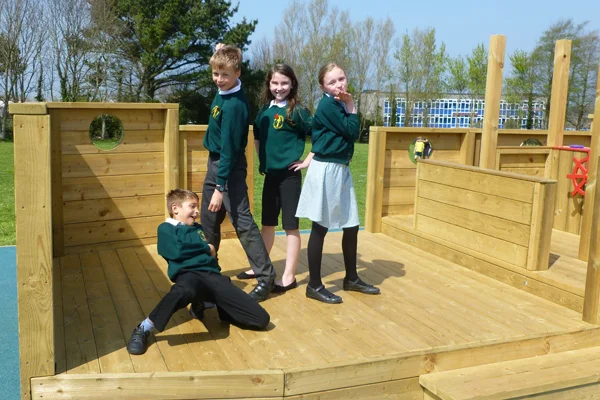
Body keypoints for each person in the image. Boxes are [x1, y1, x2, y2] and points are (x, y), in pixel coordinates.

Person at [126, 189, 270, 355]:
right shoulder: (166, 229)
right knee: (184, 290)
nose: (196, 211)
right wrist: (206, 248)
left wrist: (213, 259)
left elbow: (210, 258)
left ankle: (207, 304)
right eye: (192, 206)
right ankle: (144, 327)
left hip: (213, 276)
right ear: (175, 208)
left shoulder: (197, 229)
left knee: (261, 319)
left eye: (197, 207)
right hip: (189, 274)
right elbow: (176, 251)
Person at [295, 63, 380, 304]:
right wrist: (352, 105)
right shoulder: (328, 105)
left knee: (351, 224)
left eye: (341, 78)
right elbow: (352, 131)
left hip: (340, 168)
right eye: (332, 82)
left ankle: (351, 278)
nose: (339, 84)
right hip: (326, 171)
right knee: (320, 227)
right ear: (322, 86)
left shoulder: (337, 103)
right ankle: (314, 285)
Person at [201, 44, 276, 302]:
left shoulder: (234, 106)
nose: (218, 80)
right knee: (208, 221)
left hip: (227, 169)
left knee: (242, 222)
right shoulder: (225, 89)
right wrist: (220, 50)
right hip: (216, 165)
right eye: (215, 74)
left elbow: (230, 152)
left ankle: (266, 277)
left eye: (224, 75)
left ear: (238, 74)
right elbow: (223, 63)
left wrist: (219, 188)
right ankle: (209, 272)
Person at [236, 64, 312, 293]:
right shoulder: (264, 111)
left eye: (284, 83)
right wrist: (263, 161)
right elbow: (257, 136)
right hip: (270, 176)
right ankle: (259, 266)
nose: (279, 88)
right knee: (267, 223)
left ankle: (289, 276)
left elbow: (319, 133)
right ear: (269, 85)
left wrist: (307, 161)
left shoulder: (297, 110)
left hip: (290, 177)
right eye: (275, 83)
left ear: (292, 84)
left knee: (291, 226)